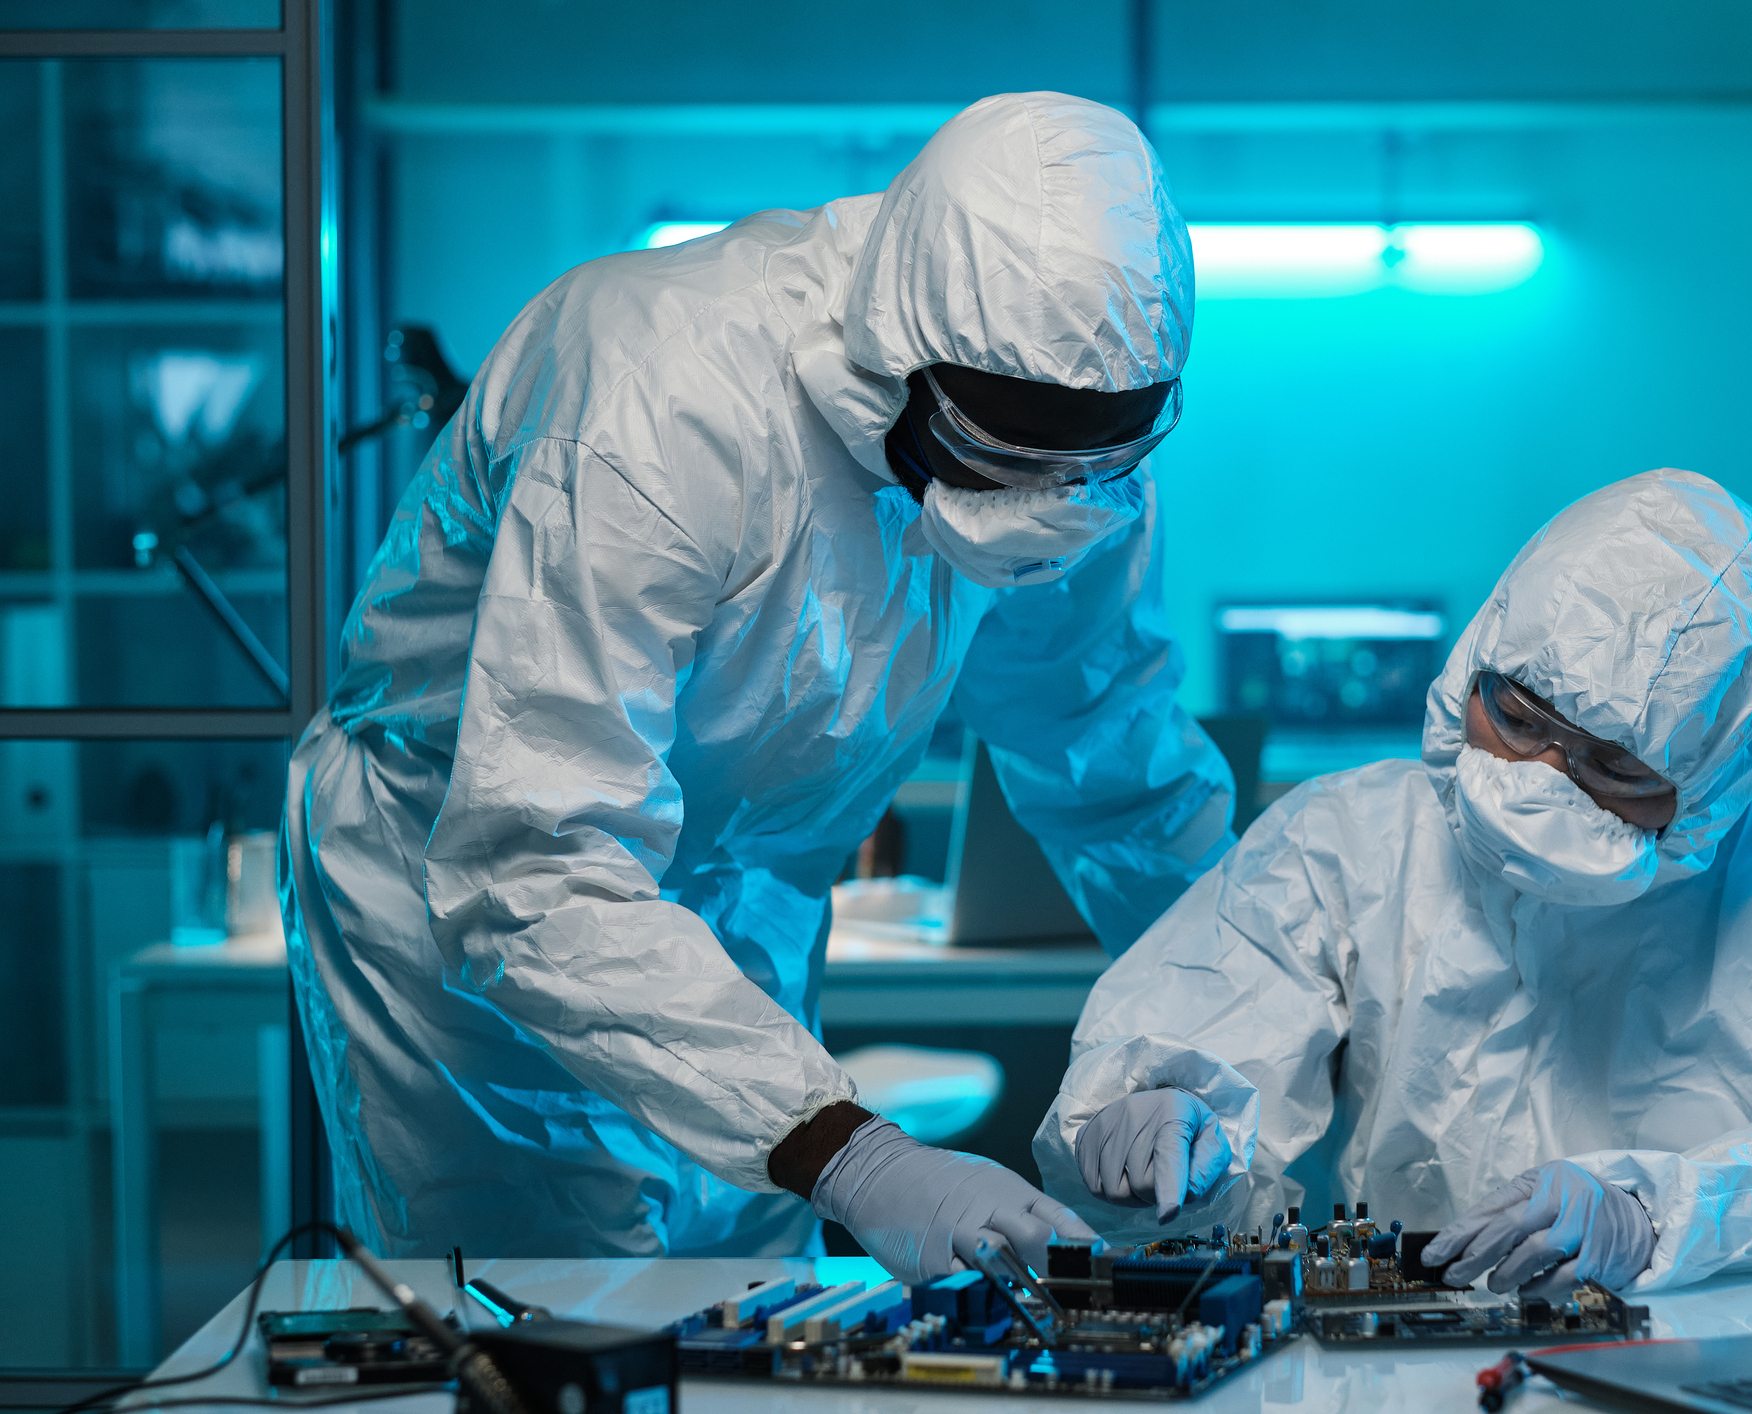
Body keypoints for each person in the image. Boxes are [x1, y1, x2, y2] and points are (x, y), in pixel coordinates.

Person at [280, 92, 1237, 1276]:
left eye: (1085, 472)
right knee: (557, 1309)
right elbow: (535, 856)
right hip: (463, 896)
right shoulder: (657, 396)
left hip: (749, 896)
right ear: (900, 362)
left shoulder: (1085, 446)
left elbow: (1110, 760)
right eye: (996, 464)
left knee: (746, 1305)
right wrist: (860, 1157)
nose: (1037, 509)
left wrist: (1212, 1029)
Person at [1033, 469, 1752, 1295]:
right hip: (1410, 1351)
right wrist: (1163, 1112)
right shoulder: (1349, 840)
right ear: (1477, 661)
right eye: (1518, 721)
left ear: (1720, 774)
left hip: (1715, 1360)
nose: (1541, 784)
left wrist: (1657, 1212)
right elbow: (1212, 1023)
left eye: (1615, 770)